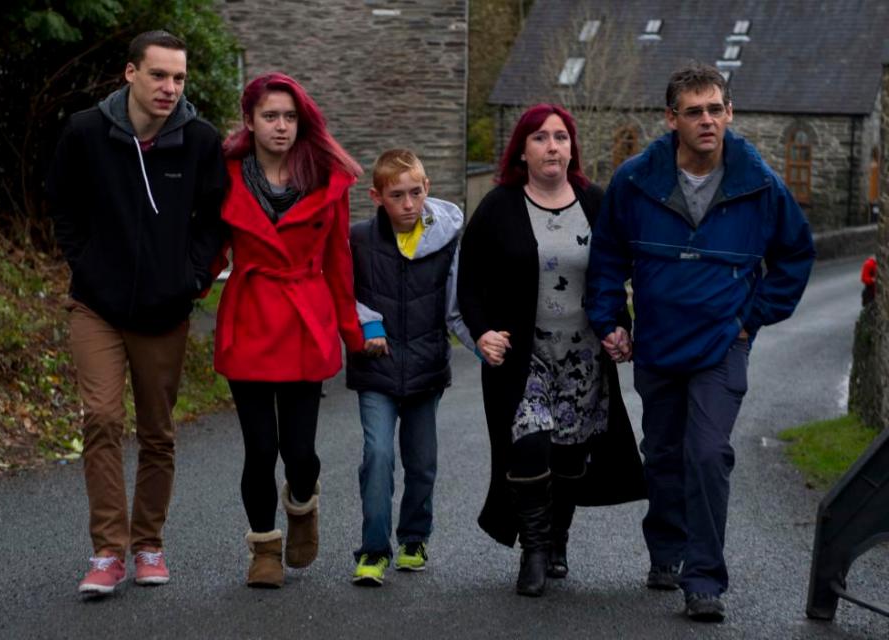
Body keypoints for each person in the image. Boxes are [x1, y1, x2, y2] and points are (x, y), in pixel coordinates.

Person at [586, 63, 816, 622]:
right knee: (663, 454)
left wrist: (751, 319)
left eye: (716, 108)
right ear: (672, 120)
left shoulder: (759, 183)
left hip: (723, 344)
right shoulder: (636, 182)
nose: (707, 120)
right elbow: (608, 256)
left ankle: (704, 578)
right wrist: (611, 318)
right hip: (660, 342)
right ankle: (666, 550)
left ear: (729, 112)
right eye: (694, 111)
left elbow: (795, 255)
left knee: (708, 453)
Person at [47, 30, 228, 596]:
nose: (169, 88)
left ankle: (148, 543)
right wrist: (87, 264)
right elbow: (63, 205)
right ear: (130, 73)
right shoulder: (84, 132)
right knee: (101, 418)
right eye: (158, 75)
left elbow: (214, 220)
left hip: (163, 310)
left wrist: (192, 278)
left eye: (178, 78)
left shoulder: (199, 141)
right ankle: (107, 551)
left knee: (156, 431)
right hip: (96, 306)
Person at [457, 104, 645, 598]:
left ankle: (558, 539)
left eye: (560, 137)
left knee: (568, 456)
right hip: (523, 356)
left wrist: (619, 326)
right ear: (522, 149)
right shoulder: (499, 206)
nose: (552, 146)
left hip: (584, 356)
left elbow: (615, 274)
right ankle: (534, 551)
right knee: (530, 440)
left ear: (572, 148)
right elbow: (470, 281)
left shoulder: (595, 203)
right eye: (540, 138)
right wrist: (481, 333)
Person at [214, 72, 364, 589]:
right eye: (270, 116)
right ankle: (264, 549)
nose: (281, 127)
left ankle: (302, 504)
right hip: (250, 316)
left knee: (299, 451)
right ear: (250, 121)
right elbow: (206, 245)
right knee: (260, 448)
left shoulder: (324, 176)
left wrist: (353, 332)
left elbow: (340, 261)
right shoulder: (226, 175)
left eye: (289, 117)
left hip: (306, 317)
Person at [345, 149, 476, 586]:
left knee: (422, 462)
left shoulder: (446, 241)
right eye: (396, 195)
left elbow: (460, 303)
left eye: (415, 193)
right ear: (376, 196)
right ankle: (373, 550)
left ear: (427, 189)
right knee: (378, 455)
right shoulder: (359, 239)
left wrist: (483, 347)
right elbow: (340, 291)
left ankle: (414, 538)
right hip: (376, 366)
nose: (407, 204)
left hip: (426, 366)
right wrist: (369, 325)